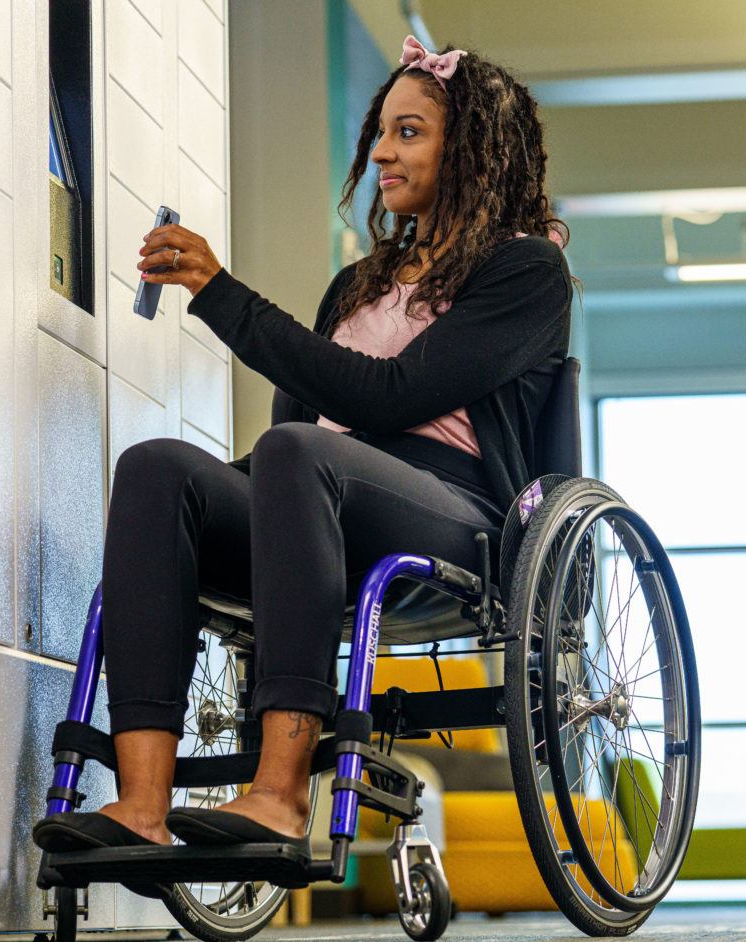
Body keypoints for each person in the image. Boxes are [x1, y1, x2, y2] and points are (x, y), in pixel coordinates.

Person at [42, 36, 575, 857]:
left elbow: (386, 398)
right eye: (380, 134)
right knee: (157, 469)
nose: (382, 154)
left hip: (447, 510)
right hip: (316, 494)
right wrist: (201, 507)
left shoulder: (525, 270)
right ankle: (140, 806)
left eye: (410, 132)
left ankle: (281, 796)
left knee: (296, 452)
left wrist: (222, 297)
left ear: (469, 149)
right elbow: (300, 429)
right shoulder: (358, 284)